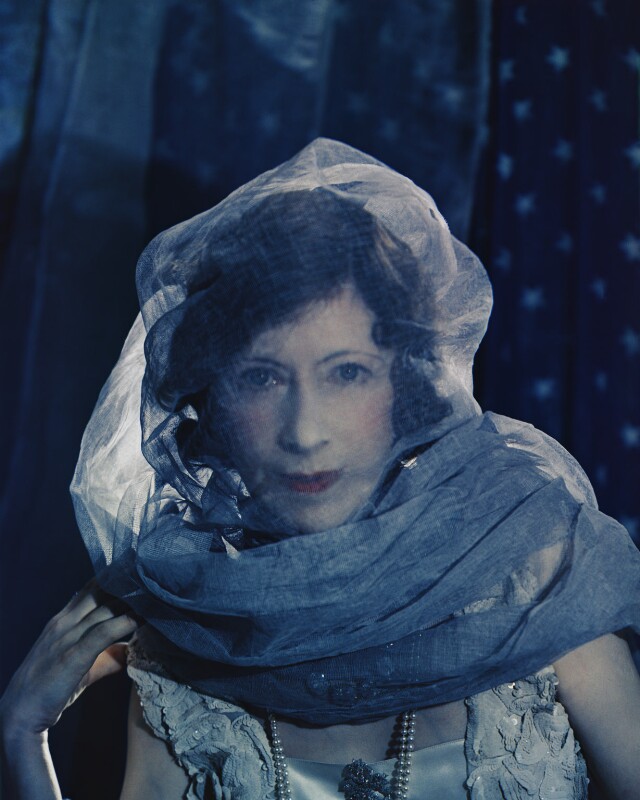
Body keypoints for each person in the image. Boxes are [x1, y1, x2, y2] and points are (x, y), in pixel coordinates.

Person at [1, 138, 639, 800]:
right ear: (212, 403)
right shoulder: (191, 636)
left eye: (347, 373)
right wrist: (22, 735)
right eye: (261, 378)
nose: (304, 432)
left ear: (404, 384)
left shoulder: (536, 576)